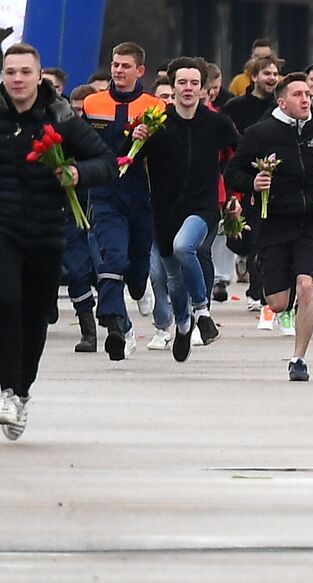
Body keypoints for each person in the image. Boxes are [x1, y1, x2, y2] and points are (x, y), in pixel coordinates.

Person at [0, 42, 116, 440]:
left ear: (38, 76)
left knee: (35, 315)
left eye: (25, 72)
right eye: (10, 72)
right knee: (5, 300)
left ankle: (21, 391)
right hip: (3, 229)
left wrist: (76, 173)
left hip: (48, 231)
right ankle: (6, 389)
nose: (17, 79)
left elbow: (106, 162)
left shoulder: (61, 116)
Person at [225, 72, 313, 381]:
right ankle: (273, 277)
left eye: (308, 94)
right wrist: (253, 182)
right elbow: (232, 173)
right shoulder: (260, 134)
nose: (306, 99)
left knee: (306, 286)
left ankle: (299, 359)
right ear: (282, 102)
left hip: (309, 223)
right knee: (278, 302)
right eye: (298, 95)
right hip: (272, 224)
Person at [134, 56, 238, 362]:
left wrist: (236, 194)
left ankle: (202, 312)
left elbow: (240, 153)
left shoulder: (216, 122)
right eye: (182, 83)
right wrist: (136, 137)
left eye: (194, 83)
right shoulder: (157, 121)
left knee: (184, 247)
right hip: (164, 209)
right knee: (174, 280)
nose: (188, 88)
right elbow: (127, 159)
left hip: (202, 205)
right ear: (172, 86)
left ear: (204, 88)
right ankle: (182, 324)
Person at [81, 41, 166, 361]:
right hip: (104, 191)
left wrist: (149, 139)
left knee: (138, 260)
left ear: (140, 71)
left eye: (125, 66)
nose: (118, 70)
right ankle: (114, 321)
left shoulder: (154, 105)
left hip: (138, 191)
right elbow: (83, 143)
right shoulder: (93, 102)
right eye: (115, 65)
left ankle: (138, 285)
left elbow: (162, 155)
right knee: (112, 255)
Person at [224, 55, 280, 133]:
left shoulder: (281, 107)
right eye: (267, 73)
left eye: (275, 74)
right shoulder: (234, 106)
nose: (272, 78)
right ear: (254, 77)